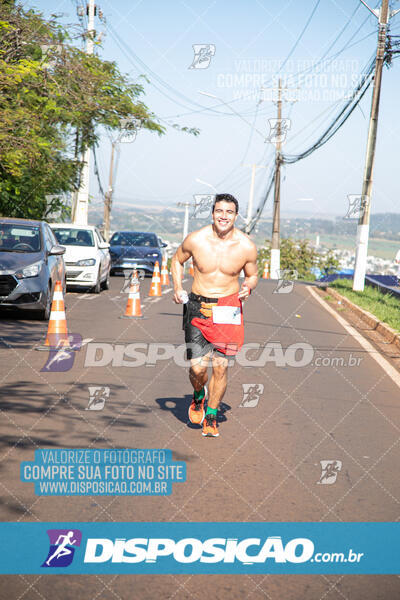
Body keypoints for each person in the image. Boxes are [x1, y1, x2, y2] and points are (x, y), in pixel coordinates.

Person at [171, 193, 258, 437]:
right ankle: (198, 396)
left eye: (229, 212)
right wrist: (178, 287)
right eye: (219, 211)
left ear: (236, 216)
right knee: (198, 369)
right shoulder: (196, 239)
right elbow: (176, 261)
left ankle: (211, 415)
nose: (224, 216)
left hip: (228, 309)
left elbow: (252, 275)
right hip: (198, 307)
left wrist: (248, 286)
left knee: (220, 366)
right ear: (212, 213)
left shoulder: (246, 246)